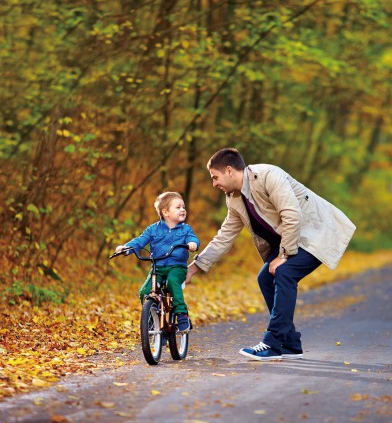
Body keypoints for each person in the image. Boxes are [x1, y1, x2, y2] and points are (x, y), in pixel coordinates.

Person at [185, 148, 356, 361]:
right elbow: (224, 237)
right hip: (293, 238)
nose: (214, 183)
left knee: (284, 272)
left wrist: (283, 255)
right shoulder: (234, 199)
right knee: (265, 278)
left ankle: (272, 343)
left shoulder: (267, 175)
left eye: (215, 177)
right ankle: (290, 343)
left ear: (229, 170)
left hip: (315, 232)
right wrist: (195, 267)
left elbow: (292, 214)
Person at [115, 191, 200, 332]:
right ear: (165, 212)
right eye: (178, 207)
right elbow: (140, 241)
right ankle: (151, 318)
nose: (183, 210)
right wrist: (127, 248)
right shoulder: (153, 229)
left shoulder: (185, 229)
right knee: (145, 291)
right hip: (158, 268)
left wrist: (192, 243)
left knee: (173, 282)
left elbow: (193, 238)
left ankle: (181, 314)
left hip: (177, 267)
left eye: (183, 207)